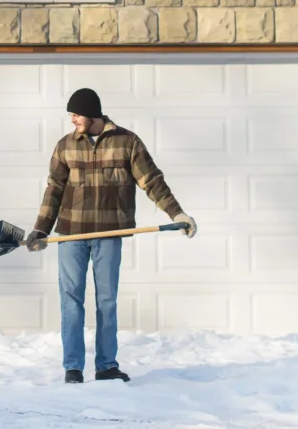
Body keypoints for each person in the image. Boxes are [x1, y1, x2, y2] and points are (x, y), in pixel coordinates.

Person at [26, 87, 197, 384]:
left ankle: (106, 366)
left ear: (92, 114)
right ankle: (73, 368)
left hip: (109, 232)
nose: (73, 121)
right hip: (70, 235)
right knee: (71, 300)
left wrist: (177, 214)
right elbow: (53, 189)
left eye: (76, 115)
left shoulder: (126, 142)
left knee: (107, 301)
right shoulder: (66, 146)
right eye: (71, 116)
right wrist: (41, 228)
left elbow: (152, 181)